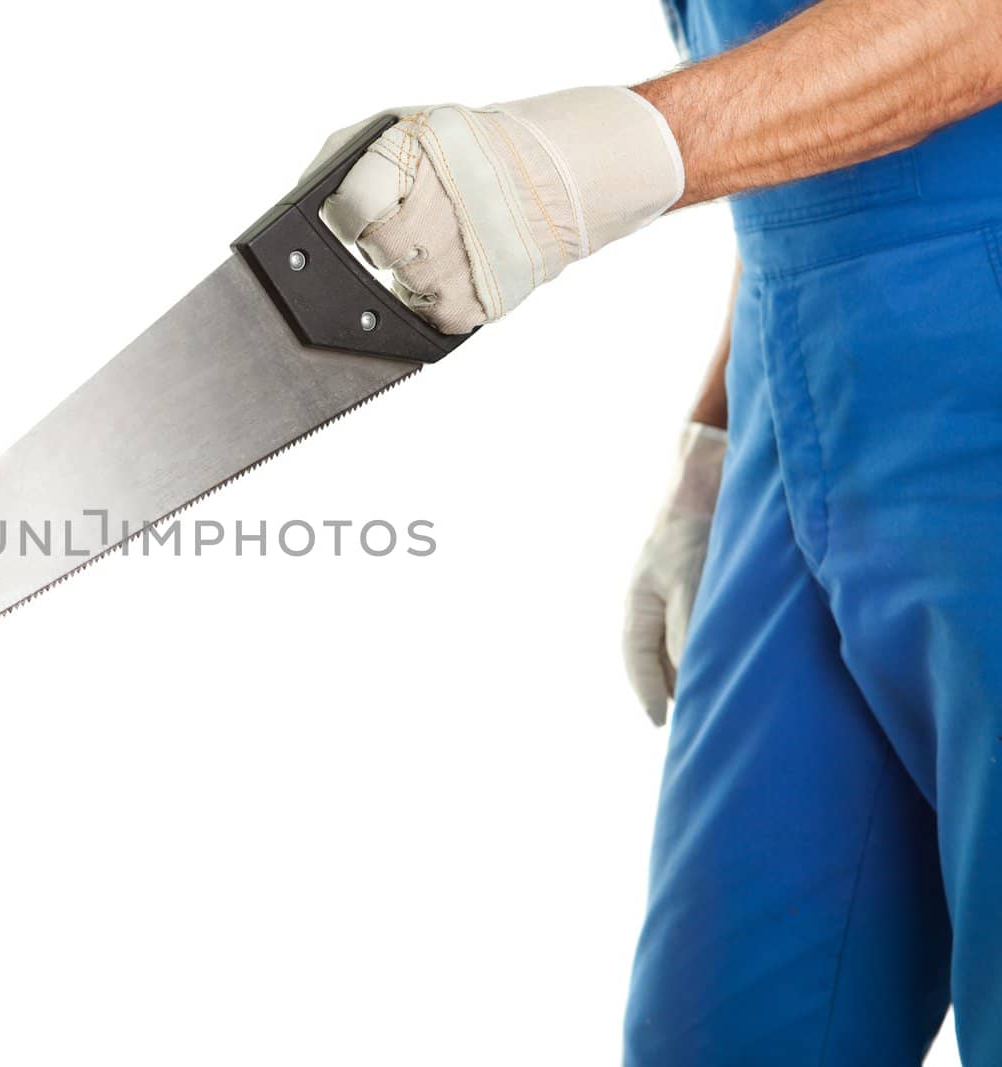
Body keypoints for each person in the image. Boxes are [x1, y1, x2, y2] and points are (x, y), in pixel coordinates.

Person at [315, 0, 1002, 1062]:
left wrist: (575, 165)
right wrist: (716, 435)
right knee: (724, 1026)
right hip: (796, 395)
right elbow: (826, 113)